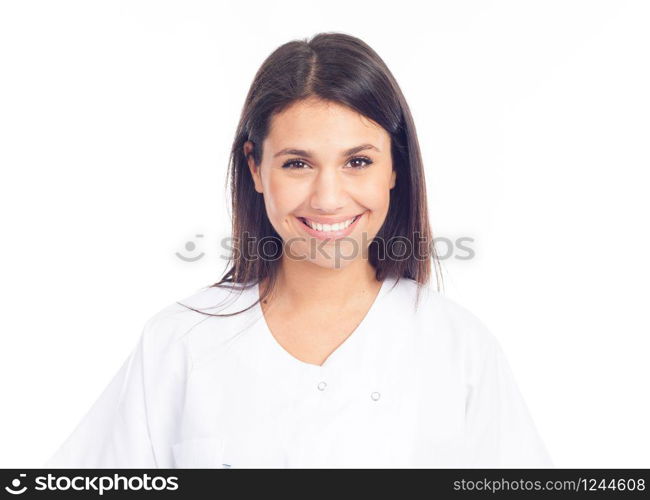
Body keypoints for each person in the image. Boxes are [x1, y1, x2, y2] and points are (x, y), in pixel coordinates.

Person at [44, 32, 553, 468]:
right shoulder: (178, 343)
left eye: (357, 162)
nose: (329, 198)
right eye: (297, 164)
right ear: (255, 168)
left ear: (394, 169)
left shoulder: (458, 346)